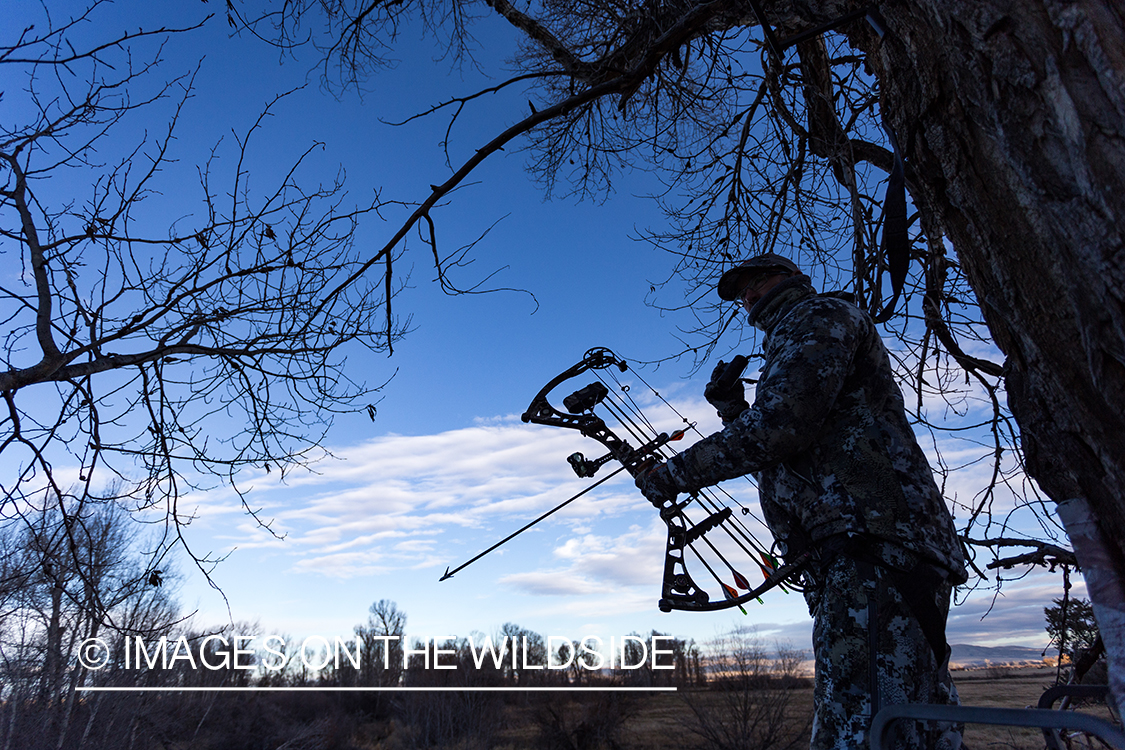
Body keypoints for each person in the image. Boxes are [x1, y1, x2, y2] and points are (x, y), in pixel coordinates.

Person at [636, 253, 967, 750]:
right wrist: (732, 409)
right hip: (867, 547)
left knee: (859, 726)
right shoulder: (791, 340)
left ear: (793, 278)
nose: (750, 296)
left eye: (759, 281)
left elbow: (780, 428)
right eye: (742, 292)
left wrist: (674, 474)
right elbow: (794, 451)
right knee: (914, 720)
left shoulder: (820, 317)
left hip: (873, 544)